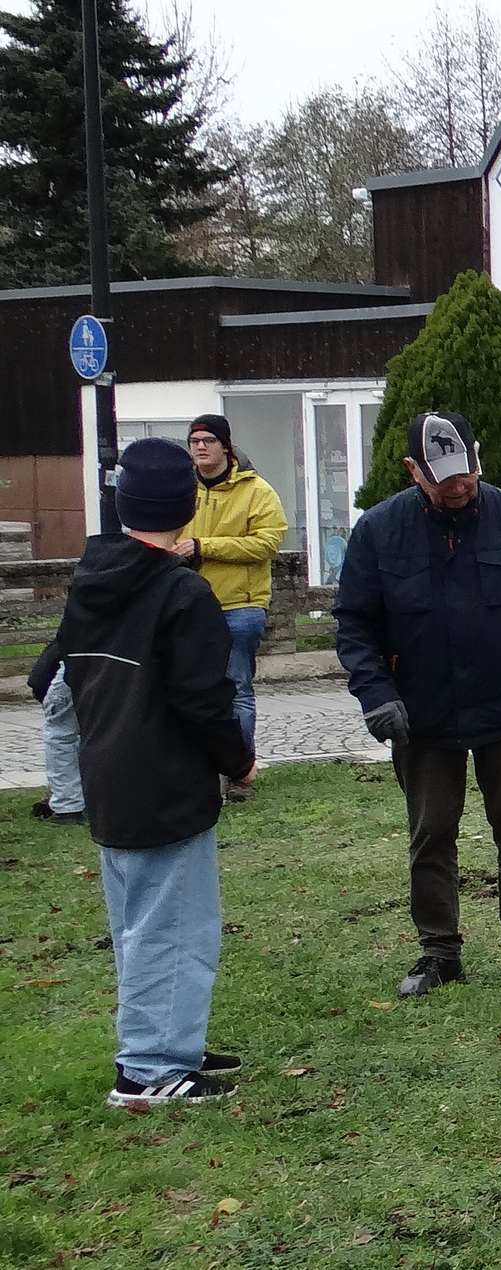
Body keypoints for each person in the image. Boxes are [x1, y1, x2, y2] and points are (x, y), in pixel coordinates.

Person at [334, 411, 501, 997]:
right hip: (421, 713)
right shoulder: (379, 530)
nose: (458, 485)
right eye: (442, 478)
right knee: (431, 832)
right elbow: (355, 624)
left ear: (476, 456)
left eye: (465, 471)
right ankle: (438, 950)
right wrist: (376, 694)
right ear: (414, 471)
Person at [63, 438, 257, 1107]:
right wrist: (238, 760)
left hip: (108, 776)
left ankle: (167, 1037)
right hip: (166, 783)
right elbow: (205, 699)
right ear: (186, 505)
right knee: (175, 927)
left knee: (137, 925)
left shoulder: (91, 579)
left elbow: (50, 677)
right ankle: (149, 1069)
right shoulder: (182, 592)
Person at [176, 414, 288, 791]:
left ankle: (239, 772)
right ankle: (201, 769)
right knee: (191, 689)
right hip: (188, 607)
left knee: (236, 688)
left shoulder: (256, 491)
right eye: (194, 442)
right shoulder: (181, 489)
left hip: (239, 606)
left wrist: (205, 547)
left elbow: (268, 543)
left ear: (226, 445)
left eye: (208, 440)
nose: (201, 447)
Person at [27, 639, 82, 825]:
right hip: (119, 660)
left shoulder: (43, 677)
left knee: (60, 734)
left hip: (74, 665)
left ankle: (68, 807)